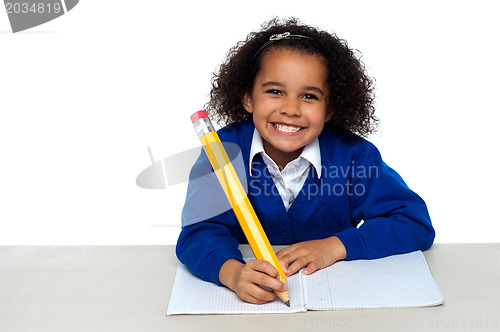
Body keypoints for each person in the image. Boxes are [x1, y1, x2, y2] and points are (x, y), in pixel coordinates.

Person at [176, 17, 435, 305]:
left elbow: (413, 222)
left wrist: (336, 246)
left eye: (309, 96)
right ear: (248, 97)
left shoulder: (355, 156)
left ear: (330, 109)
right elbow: (198, 232)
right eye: (275, 92)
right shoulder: (222, 152)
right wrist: (232, 273)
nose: (290, 109)